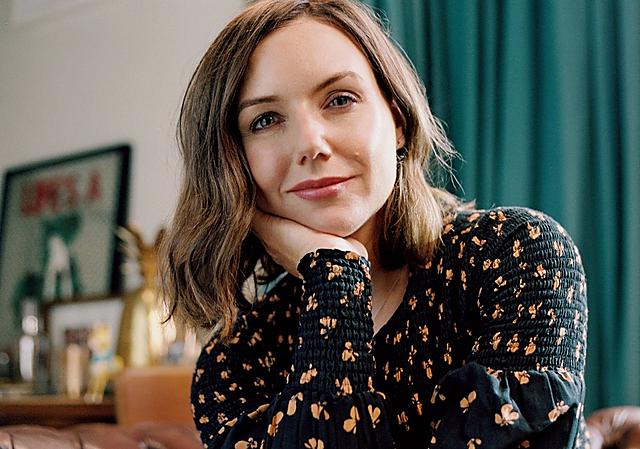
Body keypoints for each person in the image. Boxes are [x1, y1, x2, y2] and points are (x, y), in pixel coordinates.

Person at [160, 0, 588, 448]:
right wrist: (334, 278)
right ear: (232, 162)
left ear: (397, 120)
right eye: (265, 120)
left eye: (340, 99)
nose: (311, 143)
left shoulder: (515, 254)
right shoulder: (236, 361)